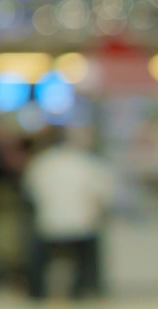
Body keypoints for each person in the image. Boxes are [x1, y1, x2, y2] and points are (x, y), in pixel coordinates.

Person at [23, 126, 115, 300]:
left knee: (40, 255)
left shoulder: (42, 162)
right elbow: (104, 193)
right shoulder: (86, 162)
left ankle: (37, 291)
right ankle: (83, 289)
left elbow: (30, 191)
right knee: (88, 253)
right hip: (81, 226)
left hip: (49, 224)